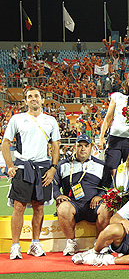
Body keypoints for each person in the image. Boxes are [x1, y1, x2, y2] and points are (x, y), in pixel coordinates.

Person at [1, 87, 61, 260]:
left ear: (42, 100)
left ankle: (35, 243)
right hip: (23, 168)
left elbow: (55, 145)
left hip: (43, 168)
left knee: (39, 207)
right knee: (18, 207)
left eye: (36, 96)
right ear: (25, 101)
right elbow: (5, 143)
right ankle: (15, 246)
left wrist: (53, 168)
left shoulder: (51, 121)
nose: (33, 99)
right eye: (29, 97)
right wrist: (10, 165)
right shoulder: (17, 119)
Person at [53, 134, 113, 255]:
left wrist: (100, 196)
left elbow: (108, 186)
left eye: (86, 146)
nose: (83, 148)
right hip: (73, 205)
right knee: (63, 207)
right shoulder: (63, 165)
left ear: (91, 147)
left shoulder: (101, 165)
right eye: (80, 145)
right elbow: (53, 183)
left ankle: (99, 243)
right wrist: (57, 195)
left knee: (107, 207)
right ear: (75, 147)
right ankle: (71, 243)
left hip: (94, 205)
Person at [99, 71, 129, 173]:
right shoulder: (117, 96)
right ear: (127, 82)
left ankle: (128, 189)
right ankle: (111, 189)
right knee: (111, 169)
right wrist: (101, 136)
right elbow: (108, 118)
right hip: (115, 138)